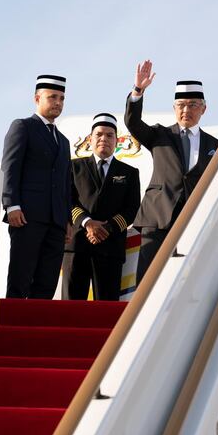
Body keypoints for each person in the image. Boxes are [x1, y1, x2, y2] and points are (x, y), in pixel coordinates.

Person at [125, 59, 218, 284]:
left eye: (193, 105)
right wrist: (138, 91)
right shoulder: (160, 136)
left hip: (194, 222)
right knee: (149, 281)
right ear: (174, 108)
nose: (186, 110)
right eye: (181, 105)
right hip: (158, 218)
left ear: (203, 109)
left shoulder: (216, 146)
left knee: (188, 282)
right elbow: (132, 122)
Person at [1, 74, 73, 299]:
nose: (58, 103)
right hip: (26, 217)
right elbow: (10, 167)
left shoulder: (63, 141)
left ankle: (34, 332)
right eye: (52, 97)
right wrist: (11, 205)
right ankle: (10, 330)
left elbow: (65, 183)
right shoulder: (23, 126)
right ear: (37, 98)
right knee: (20, 279)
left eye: (61, 98)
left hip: (56, 223)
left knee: (46, 284)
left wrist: (68, 220)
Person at [62, 113, 140, 301]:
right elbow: (66, 200)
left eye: (109, 135)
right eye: (99, 134)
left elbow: (131, 209)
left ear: (116, 140)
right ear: (90, 139)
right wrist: (87, 223)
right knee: (70, 307)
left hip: (110, 247)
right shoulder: (74, 167)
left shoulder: (129, 173)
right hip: (77, 244)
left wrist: (107, 228)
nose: (103, 139)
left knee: (106, 307)